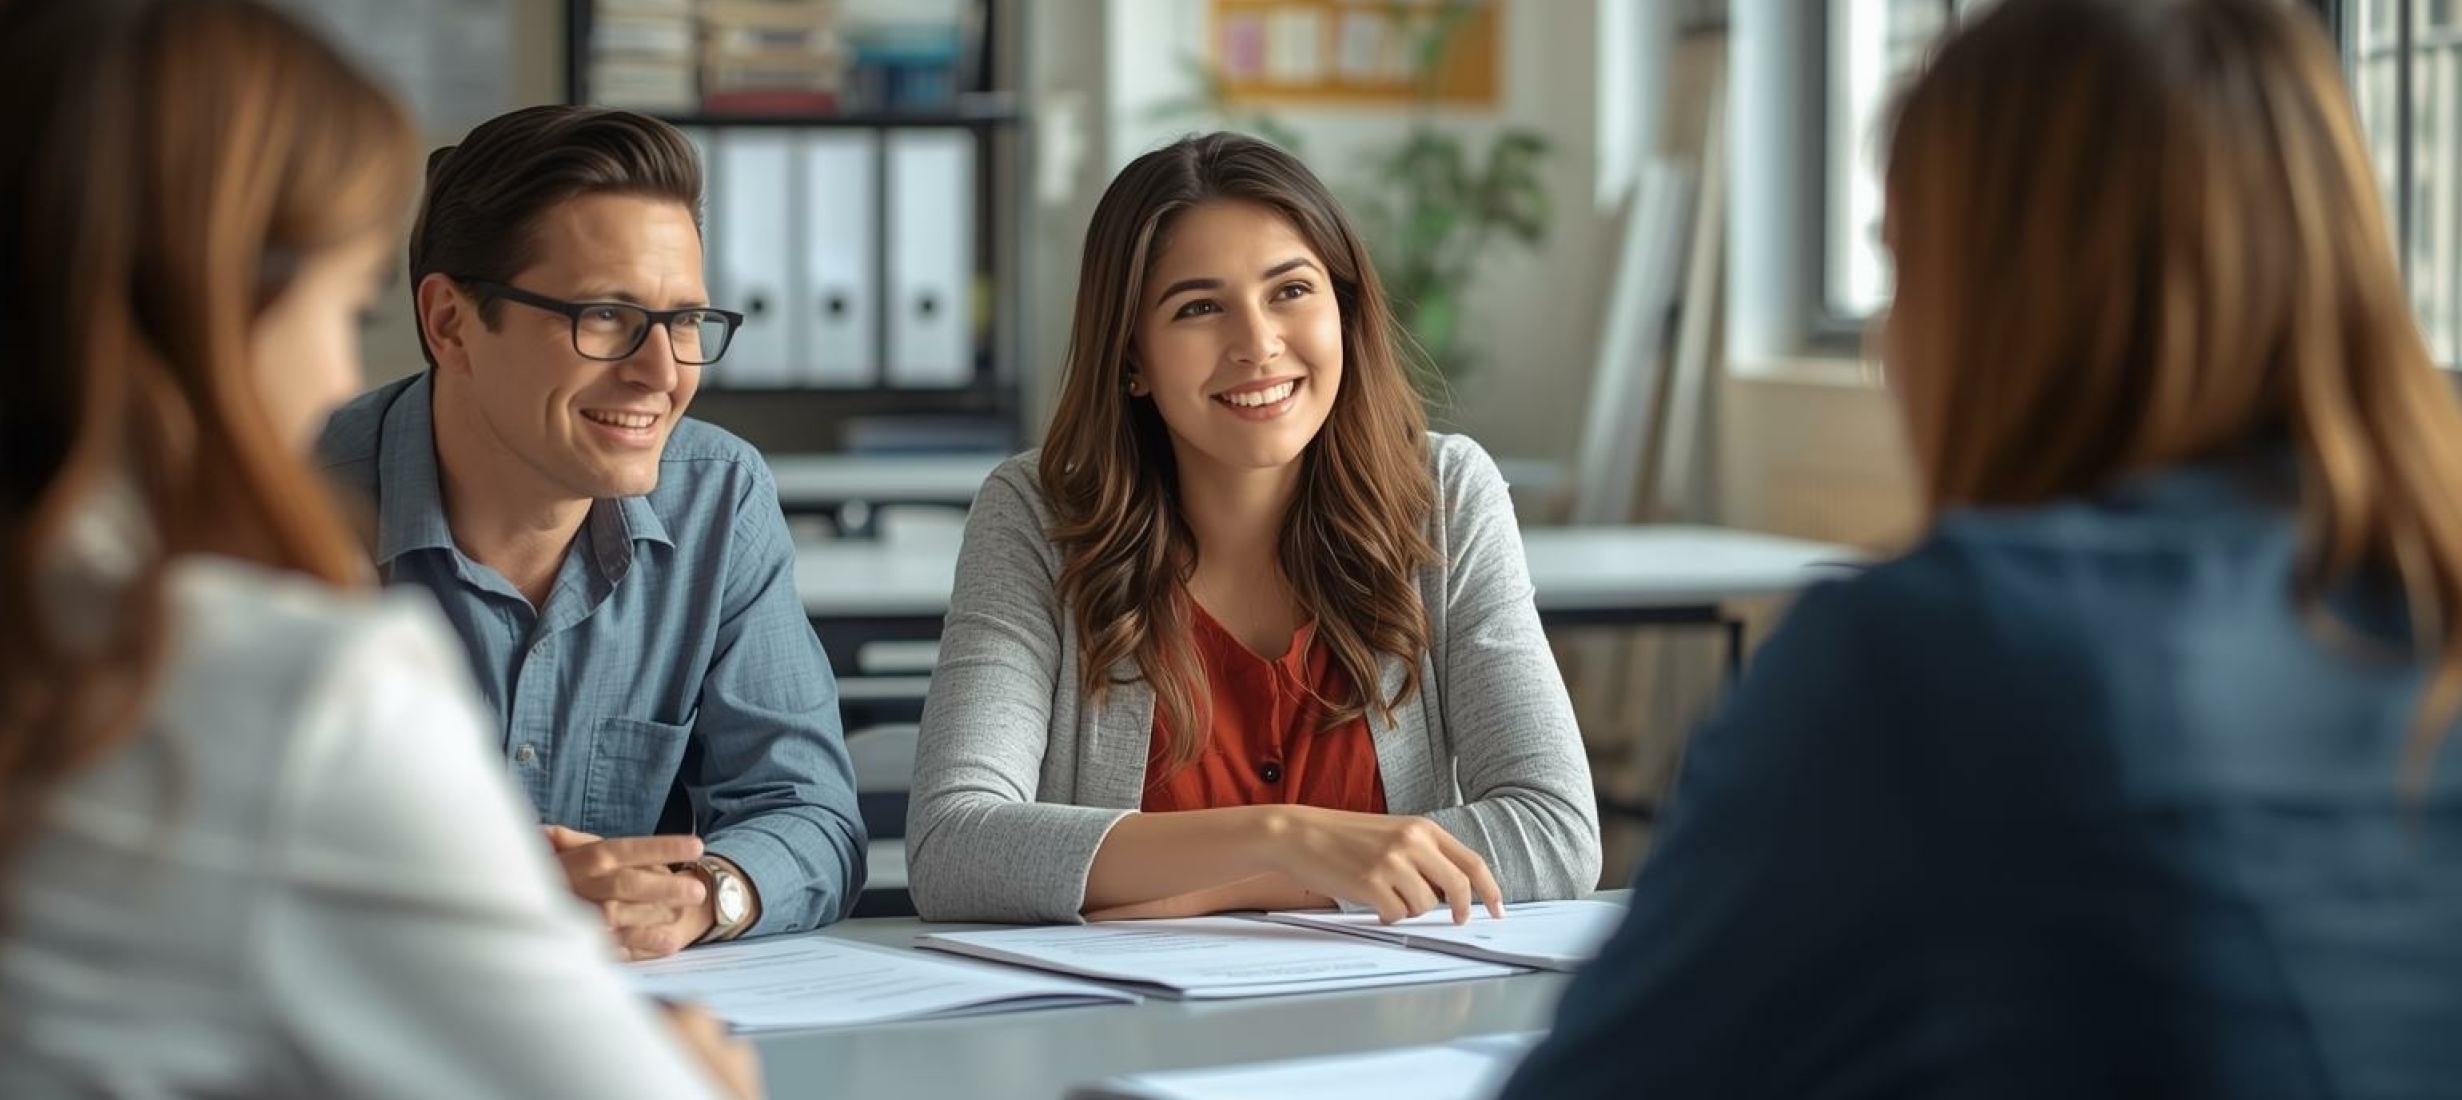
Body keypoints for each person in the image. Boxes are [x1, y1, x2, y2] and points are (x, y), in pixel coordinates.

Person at [1501, 1, 2462, 1097]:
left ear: (2000, 301)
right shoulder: (2421, 597)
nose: (1881, 341)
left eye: (1902, 266)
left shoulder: (1937, 655)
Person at [0, 1, 758, 1097]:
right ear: (214, 310)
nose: (331, 385)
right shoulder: (287, 686)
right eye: (345, 307)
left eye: (686, 322)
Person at [906, 132, 1601, 925]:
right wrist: (1283, 838)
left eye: (1290, 291)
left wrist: (1239, 889)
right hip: (1121, 1034)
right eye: (1199, 308)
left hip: (1397, 1018)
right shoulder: (1036, 516)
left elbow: (1554, 833)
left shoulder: (1443, 495)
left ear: (1344, 311)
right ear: (1131, 356)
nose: (1258, 345)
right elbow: (953, 845)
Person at [316, 105, 864, 955]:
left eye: (685, 320)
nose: (661, 372)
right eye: (605, 315)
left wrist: (696, 896)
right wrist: (496, 902)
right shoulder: (292, 508)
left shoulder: (717, 497)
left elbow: (810, 815)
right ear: (450, 323)